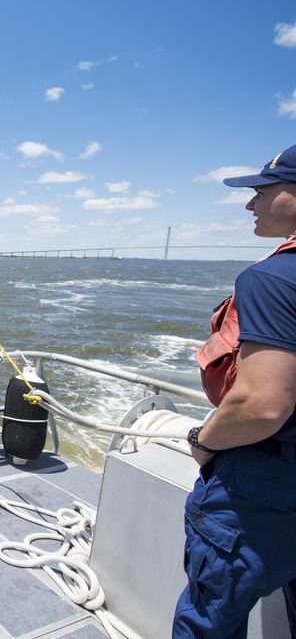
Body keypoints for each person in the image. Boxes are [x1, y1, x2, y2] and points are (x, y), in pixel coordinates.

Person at [174, 143, 296, 637]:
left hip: (263, 485)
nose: (251, 204)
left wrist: (204, 443)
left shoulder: (273, 278)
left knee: (210, 622)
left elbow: (260, 405)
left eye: (262, 191)